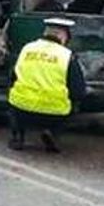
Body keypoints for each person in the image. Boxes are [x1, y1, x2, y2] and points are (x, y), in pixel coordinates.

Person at [6, 17, 87, 152]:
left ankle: (18, 137)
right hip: (54, 113)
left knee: (14, 98)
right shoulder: (67, 56)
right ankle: (53, 133)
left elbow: (13, 77)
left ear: (45, 32)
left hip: (22, 109)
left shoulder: (27, 49)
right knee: (74, 105)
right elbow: (78, 90)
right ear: (63, 36)